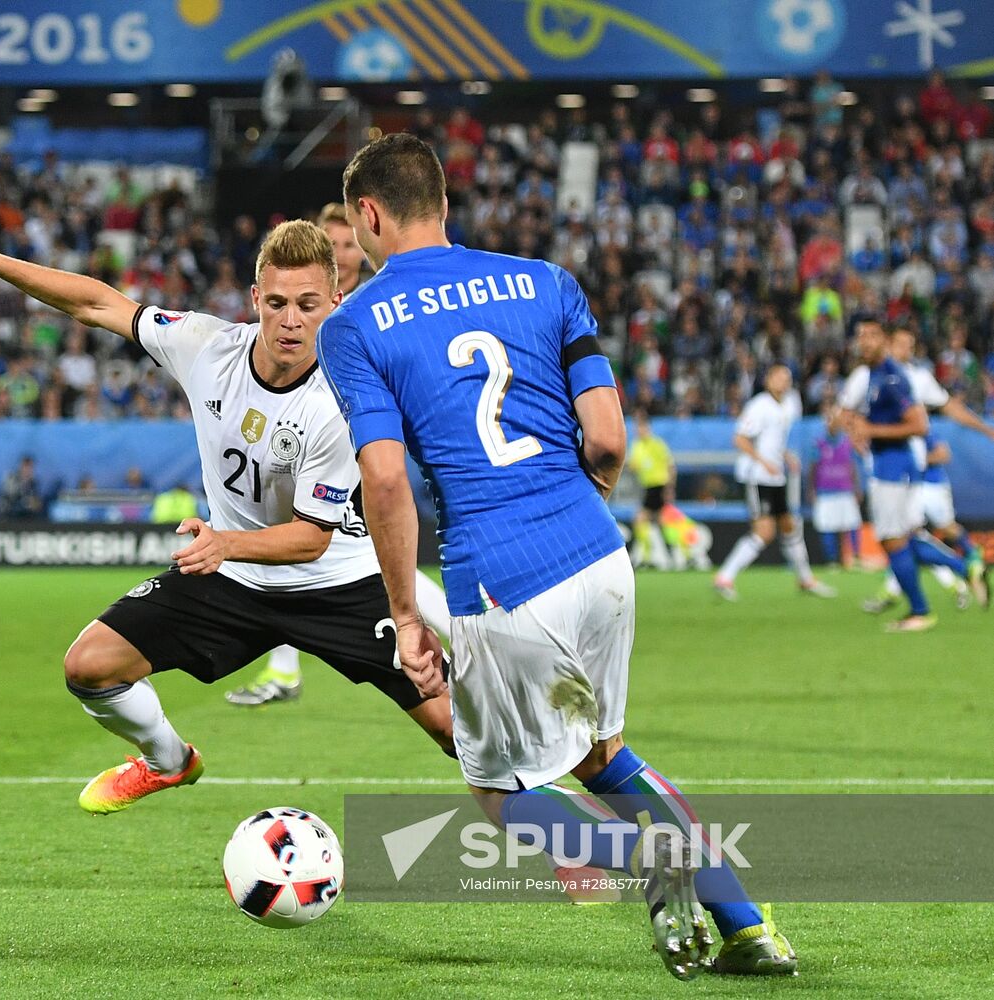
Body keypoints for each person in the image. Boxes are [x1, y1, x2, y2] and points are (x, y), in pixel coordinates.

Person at [318, 133, 793, 979]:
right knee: (605, 754)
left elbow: (385, 481)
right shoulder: (545, 282)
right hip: (597, 551)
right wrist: (581, 510)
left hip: (498, 576)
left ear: (369, 215)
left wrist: (402, 610)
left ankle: (653, 863)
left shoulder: (353, 325)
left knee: (499, 788)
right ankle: (750, 927)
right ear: (446, 205)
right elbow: (605, 436)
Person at [0, 185, 455, 816]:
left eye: (309, 305)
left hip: (334, 583)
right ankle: (168, 760)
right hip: (231, 577)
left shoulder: (345, 398)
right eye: (279, 303)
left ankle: (579, 833)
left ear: (336, 301)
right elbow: (99, 303)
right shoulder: (207, 345)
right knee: (89, 666)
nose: (292, 321)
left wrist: (222, 543)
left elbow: (311, 537)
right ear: (255, 299)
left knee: (458, 733)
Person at [225, 201, 454, 708]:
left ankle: (468, 648)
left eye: (348, 243)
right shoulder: (313, 308)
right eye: (333, 246)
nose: (343, 252)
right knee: (303, 545)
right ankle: (288, 668)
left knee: (368, 558)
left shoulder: (375, 306)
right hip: (330, 456)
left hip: (371, 454)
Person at [840, 325, 992, 611]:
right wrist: (854, 432)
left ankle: (921, 602)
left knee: (896, 537)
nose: (905, 350)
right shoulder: (867, 375)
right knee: (907, 536)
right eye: (900, 343)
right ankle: (964, 569)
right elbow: (845, 413)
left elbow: (947, 409)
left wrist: (984, 428)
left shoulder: (911, 377)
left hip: (903, 468)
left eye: (910, 345)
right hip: (889, 465)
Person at [713, 366, 835, 600]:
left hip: (776, 475)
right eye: (778, 377)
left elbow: (775, 439)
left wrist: (786, 456)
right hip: (757, 476)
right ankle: (725, 577)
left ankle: (805, 579)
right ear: (768, 380)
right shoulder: (759, 406)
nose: (783, 382)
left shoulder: (790, 403)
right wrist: (764, 461)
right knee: (764, 532)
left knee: (789, 526)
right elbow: (739, 438)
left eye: (787, 378)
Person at [809, 403, 863, 569]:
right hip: (825, 491)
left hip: (845, 489)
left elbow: (852, 467)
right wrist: (811, 489)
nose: (832, 423)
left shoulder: (847, 442)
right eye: (829, 419)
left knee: (852, 523)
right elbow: (813, 467)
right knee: (826, 525)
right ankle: (832, 560)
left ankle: (855, 557)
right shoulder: (818, 443)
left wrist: (857, 488)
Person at [625, 409, 676, 570]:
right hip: (648, 487)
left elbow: (670, 466)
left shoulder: (656, 444)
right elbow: (634, 466)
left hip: (659, 485)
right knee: (660, 522)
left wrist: (669, 488)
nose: (638, 431)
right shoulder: (637, 445)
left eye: (641, 427)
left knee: (642, 519)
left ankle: (648, 556)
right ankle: (672, 554)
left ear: (647, 428)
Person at [0, 455, 43, 520]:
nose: (28, 469)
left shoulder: (34, 482)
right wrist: (26, 501)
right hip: (10, 513)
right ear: (21, 466)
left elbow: (37, 502)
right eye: (26, 466)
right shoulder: (11, 478)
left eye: (30, 467)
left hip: (27, 515)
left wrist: (34, 503)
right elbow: (9, 496)